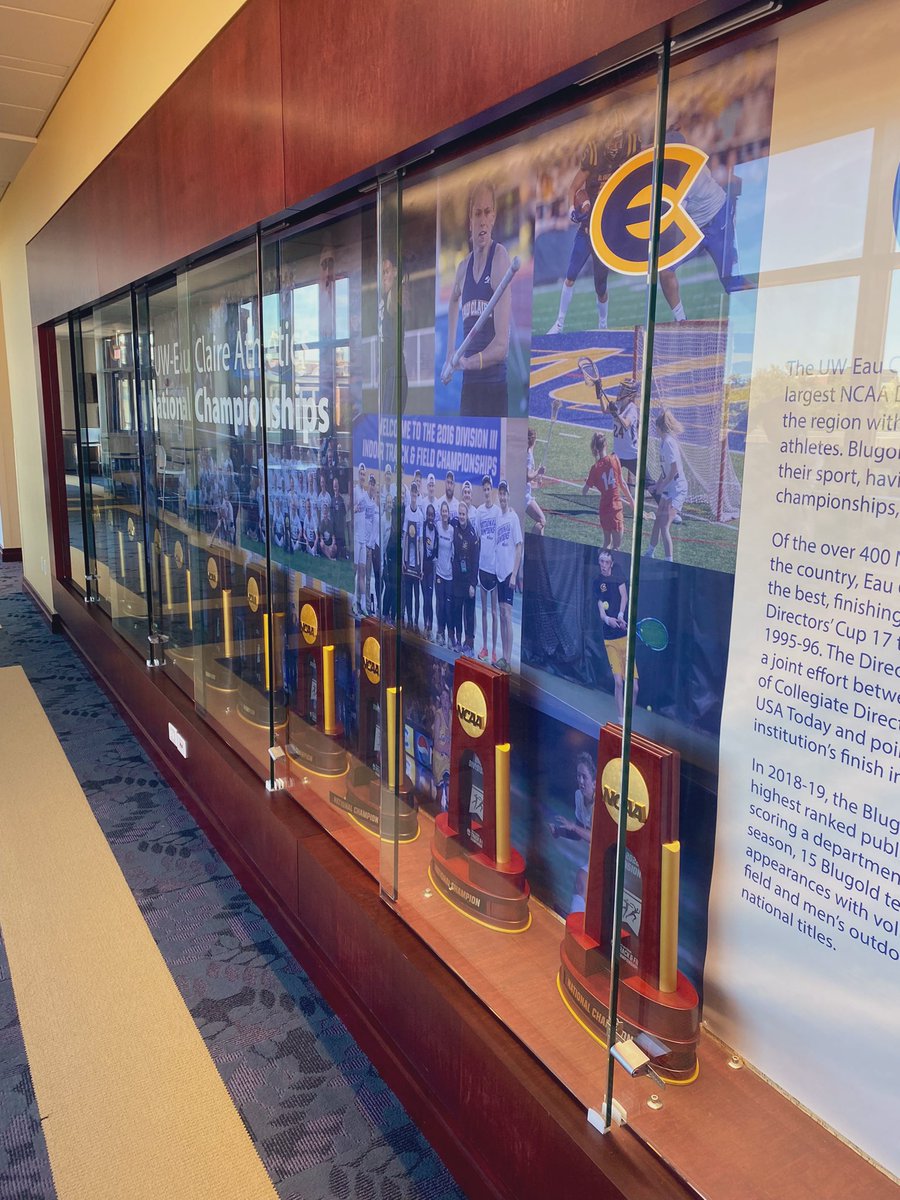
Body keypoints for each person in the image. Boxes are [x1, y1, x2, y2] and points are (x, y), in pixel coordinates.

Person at [547, 126, 641, 334]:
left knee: (601, 287)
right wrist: (573, 208)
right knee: (570, 276)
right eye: (612, 141)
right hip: (587, 228)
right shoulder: (595, 156)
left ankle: (603, 325)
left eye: (618, 141)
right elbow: (574, 189)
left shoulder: (627, 156)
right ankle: (559, 323)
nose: (615, 146)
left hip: (606, 231)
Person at [657, 123, 752, 321]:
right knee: (665, 269)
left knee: (731, 283)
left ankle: (765, 303)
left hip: (717, 220)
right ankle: (681, 321)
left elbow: (673, 213)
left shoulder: (687, 172)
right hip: (696, 226)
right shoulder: (677, 165)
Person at [443, 180, 511, 417]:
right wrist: (450, 352)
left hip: (493, 388)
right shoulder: (463, 268)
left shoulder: (500, 258)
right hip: (469, 390)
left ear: (493, 217)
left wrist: (467, 363)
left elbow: (502, 347)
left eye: (487, 212)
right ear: (469, 220)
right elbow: (453, 302)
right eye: (477, 213)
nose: (482, 219)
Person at [595, 547, 637, 719]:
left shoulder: (618, 575)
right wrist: (608, 620)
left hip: (625, 639)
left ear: (611, 563)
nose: (603, 565)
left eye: (606, 562)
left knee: (634, 688)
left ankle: (628, 719)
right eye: (601, 562)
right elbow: (601, 612)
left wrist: (620, 615)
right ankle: (621, 721)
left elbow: (624, 596)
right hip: (610, 641)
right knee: (619, 683)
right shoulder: (597, 582)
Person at [645, 408, 687, 562]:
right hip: (669, 488)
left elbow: (674, 470)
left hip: (677, 490)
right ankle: (650, 551)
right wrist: (657, 485)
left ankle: (669, 561)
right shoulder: (663, 443)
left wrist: (662, 487)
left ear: (658, 427)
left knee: (664, 526)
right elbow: (665, 472)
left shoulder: (668, 443)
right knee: (658, 521)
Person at [583, 431, 634, 551]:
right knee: (616, 547)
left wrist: (590, 482)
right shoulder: (614, 459)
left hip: (604, 509)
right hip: (615, 508)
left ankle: (602, 567)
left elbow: (584, 492)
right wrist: (632, 502)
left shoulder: (594, 469)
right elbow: (622, 483)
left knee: (606, 543)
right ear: (606, 444)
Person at [493, 480, 523, 672]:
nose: (503, 497)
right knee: (502, 615)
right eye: (501, 494)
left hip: (508, 576)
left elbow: (519, 547)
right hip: (499, 572)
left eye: (505, 494)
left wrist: (514, 575)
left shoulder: (513, 518)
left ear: (508, 496)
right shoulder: (498, 518)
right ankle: (503, 657)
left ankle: (508, 659)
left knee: (507, 614)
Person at [474, 474, 499, 663]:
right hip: (483, 567)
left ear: (492, 490)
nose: (486, 492)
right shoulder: (480, 512)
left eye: (488, 488)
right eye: (484, 489)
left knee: (494, 612)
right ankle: (484, 647)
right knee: (483, 610)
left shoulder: (498, 513)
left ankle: (494, 651)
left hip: (494, 569)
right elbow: (479, 538)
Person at [381, 254, 409, 412]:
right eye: (381, 273)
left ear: (395, 272)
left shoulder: (396, 296)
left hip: (394, 372)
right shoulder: (383, 297)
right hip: (386, 374)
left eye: (386, 272)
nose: (383, 277)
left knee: (388, 426)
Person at [451, 500, 479, 653]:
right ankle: (458, 639)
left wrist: (473, 584)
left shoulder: (473, 535)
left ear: (467, 515)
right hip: (456, 580)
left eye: (463, 514)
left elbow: (475, 562)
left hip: (468, 582)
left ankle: (469, 643)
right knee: (456, 610)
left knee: (469, 613)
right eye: (460, 514)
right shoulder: (454, 525)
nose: (461, 517)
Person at [608, 377, 640, 488]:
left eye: (624, 390)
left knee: (647, 483)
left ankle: (663, 501)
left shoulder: (632, 408)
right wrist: (600, 395)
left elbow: (626, 424)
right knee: (607, 478)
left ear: (631, 395)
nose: (621, 391)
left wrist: (616, 414)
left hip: (632, 454)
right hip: (617, 454)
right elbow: (604, 410)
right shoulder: (619, 404)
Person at [402, 481, 425, 629]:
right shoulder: (407, 513)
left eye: (416, 492)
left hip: (416, 563)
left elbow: (421, 541)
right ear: (410, 494)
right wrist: (404, 558)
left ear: (418, 494)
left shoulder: (421, 516)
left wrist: (421, 565)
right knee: (408, 592)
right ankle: (409, 619)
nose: (414, 495)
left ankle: (416, 621)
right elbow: (405, 537)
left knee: (417, 594)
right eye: (412, 492)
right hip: (407, 561)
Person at [435, 499, 455, 647]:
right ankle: (439, 633)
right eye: (442, 511)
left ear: (448, 514)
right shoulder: (437, 527)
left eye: (446, 511)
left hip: (449, 575)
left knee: (449, 608)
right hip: (439, 574)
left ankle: (450, 636)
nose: (444, 514)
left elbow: (454, 553)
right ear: (440, 513)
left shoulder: (452, 531)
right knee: (440, 605)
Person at [353, 462, 368, 615]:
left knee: (363, 571)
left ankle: (362, 604)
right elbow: (349, 512)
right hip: (356, 538)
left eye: (364, 475)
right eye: (361, 474)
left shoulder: (365, 494)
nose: (362, 477)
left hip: (364, 539)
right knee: (355, 571)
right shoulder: (355, 491)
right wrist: (355, 508)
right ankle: (353, 601)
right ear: (358, 475)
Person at [422, 503, 438, 640]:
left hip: (431, 569)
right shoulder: (422, 528)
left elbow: (436, 551)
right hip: (423, 567)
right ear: (426, 515)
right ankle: (425, 626)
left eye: (432, 515)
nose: (430, 517)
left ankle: (430, 627)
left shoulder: (436, 531)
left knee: (429, 599)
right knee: (425, 598)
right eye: (429, 515)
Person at [364, 474, 381, 612]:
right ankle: (367, 606)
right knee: (366, 579)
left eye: (374, 484)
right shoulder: (365, 502)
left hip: (376, 548)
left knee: (375, 578)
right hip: (366, 547)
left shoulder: (378, 508)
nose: (372, 486)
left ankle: (375, 606)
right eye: (371, 483)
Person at [525, 429, 546, 535]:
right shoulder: (528, 455)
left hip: (521, 492)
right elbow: (527, 477)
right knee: (542, 520)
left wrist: (535, 484)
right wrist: (539, 471)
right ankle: (532, 545)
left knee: (541, 523)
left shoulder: (527, 451)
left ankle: (539, 548)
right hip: (524, 497)